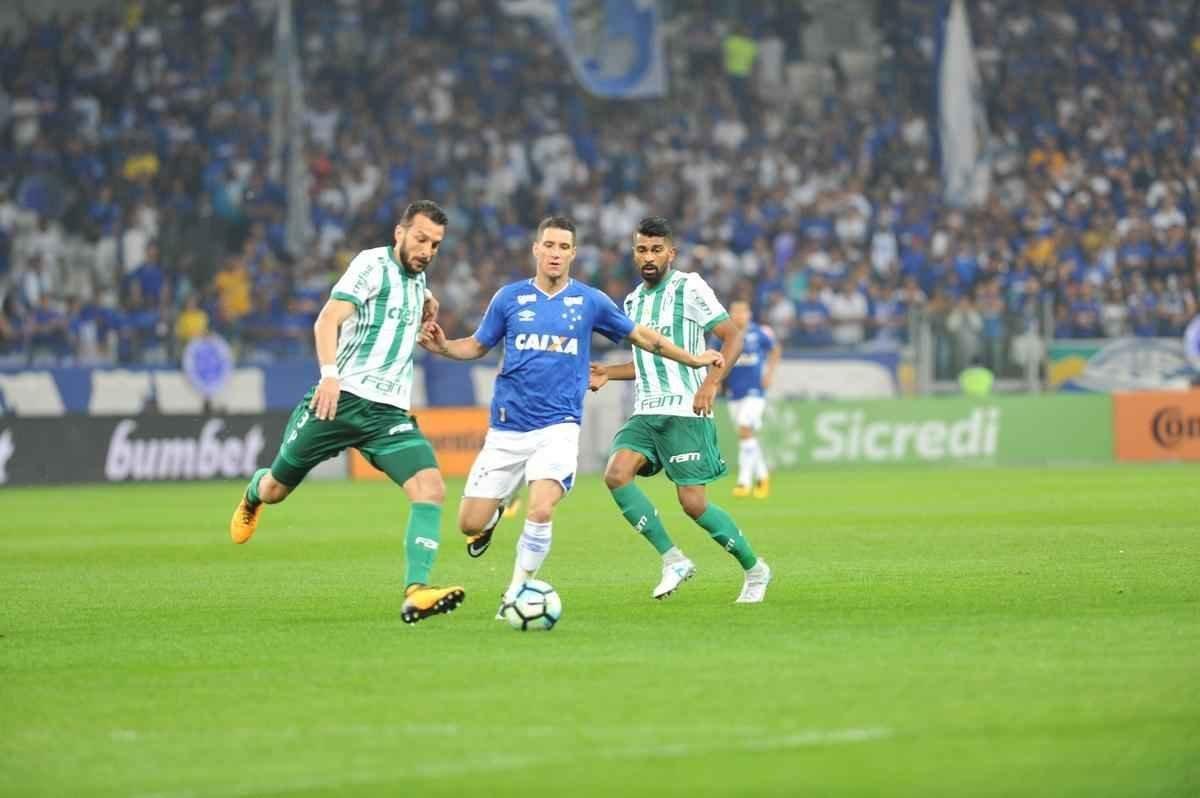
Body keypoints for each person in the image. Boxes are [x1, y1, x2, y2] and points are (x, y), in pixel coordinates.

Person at [418, 216, 724, 614]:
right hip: (507, 429)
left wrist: (693, 358)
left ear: (573, 254)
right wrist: (443, 347)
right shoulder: (509, 298)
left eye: (564, 247)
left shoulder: (590, 301)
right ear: (537, 249)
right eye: (549, 245)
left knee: (541, 508)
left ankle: (516, 592)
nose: (555, 253)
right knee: (468, 524)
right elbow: (476, 346)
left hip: (558, 426)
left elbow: (644, 337)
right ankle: (494, 510)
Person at [228, 200, 464, 625]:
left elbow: (415, 293)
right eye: (420, 239)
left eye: (435, 244)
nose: (427, 250)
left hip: (388, 414)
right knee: (277, 490)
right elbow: (326, 320)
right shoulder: (371, 265)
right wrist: (330, 376)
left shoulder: (418, 278)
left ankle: (417, 591)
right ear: (399, 232)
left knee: (431, 488)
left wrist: (430, 302)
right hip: (340, 400)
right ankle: (252, 493)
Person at [589, 216, 772, 603]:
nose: (649, 257)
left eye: (657, 250)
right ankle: (673, 559)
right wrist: (610, 371)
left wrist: (711, 384)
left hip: (685, 410)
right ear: (634, 254)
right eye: (642, 250)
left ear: (671, 253)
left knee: (692, 503)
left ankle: (755, 569)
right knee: (617, 474)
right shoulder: (632, 301)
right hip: (646, 411)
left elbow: (732, 336)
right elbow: (646, 362)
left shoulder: (689, 287)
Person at [723, 299, 780, 498]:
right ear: (730, 314)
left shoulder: (759, 333)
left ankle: (744, 481)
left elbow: (775, 349)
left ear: (749, 314)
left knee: (745, 427)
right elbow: (714, 357)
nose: (738, 316)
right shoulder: (725, 334)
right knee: (746, 435)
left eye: (742, 312)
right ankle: (763, 476)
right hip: (733, 393)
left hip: (755, 393)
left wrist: (769, 374)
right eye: (735, 312)